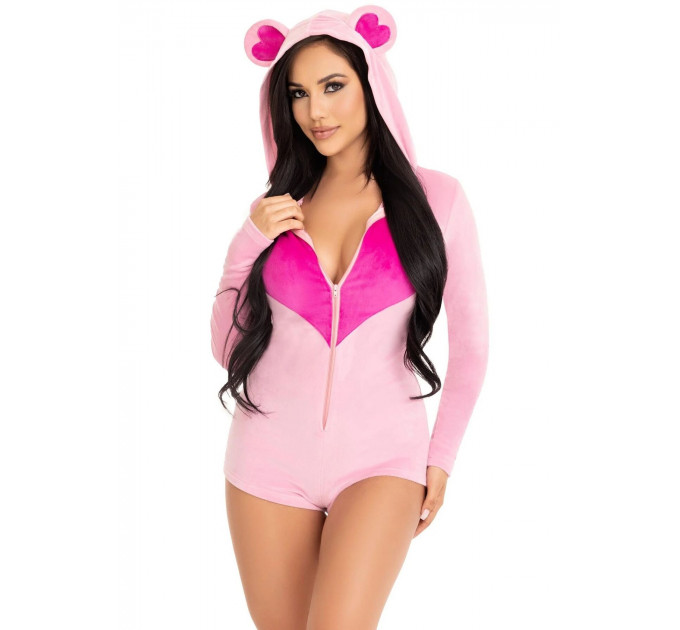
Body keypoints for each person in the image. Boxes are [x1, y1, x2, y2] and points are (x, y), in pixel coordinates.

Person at [209, 5, 489, 628]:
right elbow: (228, 349)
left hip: (382, 461)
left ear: (371, 83)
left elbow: (471, 346)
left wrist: (441, 457)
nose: (317, 111)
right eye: (299, 93)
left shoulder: (437, 200)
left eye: (333, 86)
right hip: (266, 462)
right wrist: (245, 244)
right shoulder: (278, 210)